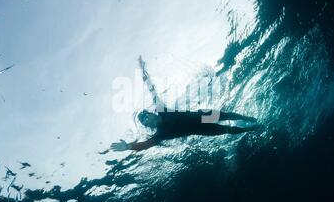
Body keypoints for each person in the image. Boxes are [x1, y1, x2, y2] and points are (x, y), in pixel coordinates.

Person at [109, 57, 259, 152]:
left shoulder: (162, 110)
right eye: (143, 121)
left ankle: (248, 118)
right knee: (227, 129)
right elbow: (145, 145)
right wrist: (128, 146)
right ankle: (250, 129)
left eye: (145, 116)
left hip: (203, 115)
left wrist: (143, 72)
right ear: (148, 126)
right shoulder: (161, 134)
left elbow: (152, 90)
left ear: (151, 113)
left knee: (227, 115)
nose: (146, 119)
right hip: (202, 130)